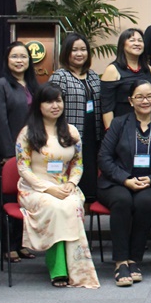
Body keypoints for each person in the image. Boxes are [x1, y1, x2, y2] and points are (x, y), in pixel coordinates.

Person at [16, 83, 99, 288]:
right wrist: (47, 189)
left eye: (58, 100)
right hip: (34, 189)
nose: (55, 105)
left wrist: (71, 183)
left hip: (65, 186)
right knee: (56, 207)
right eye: (49, 101)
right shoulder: (27, 133)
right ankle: (59, 267)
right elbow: (22, 168)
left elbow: (78, 164)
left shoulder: (71, 131)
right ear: (39, 105)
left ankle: (76, 269)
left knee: (71, 206)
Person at [98, 80, 151, 286]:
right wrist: (125, 179)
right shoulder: (118, 124)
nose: (145, 100)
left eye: (149, 96)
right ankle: (120, 261)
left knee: (145, 203)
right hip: (117, 182)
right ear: (130, 101)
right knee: (122, 201)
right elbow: (104, 158)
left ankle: (134, 259)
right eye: (139, 97)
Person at [0, 41, 38, 263]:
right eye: (15, 57)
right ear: (7, 60)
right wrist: (9, 154)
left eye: (24, 57)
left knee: (25, 199)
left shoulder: (33, 86)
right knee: (6, 198)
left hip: (30, 153)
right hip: (6, 153)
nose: (20, 61)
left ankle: (21, 243)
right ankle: (8, 246)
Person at [48, 32, 103, 200]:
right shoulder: (60, 76)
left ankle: (84, 219)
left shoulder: (93, 75)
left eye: (83, 49)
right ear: (66, 53)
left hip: (93, 135)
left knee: (89, 182)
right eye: (74, 50)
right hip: (69, 136)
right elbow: (52, 107)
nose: (80, 54)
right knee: (70, 179)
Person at [101, 28, 151, 129]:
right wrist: (111, 132)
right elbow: (106, 107)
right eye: (132, 40)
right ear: (122, 44)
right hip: (121, 126)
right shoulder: (112, 70)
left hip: (146, 125)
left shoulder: (149, 69)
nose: (137, 43)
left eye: (140, 40)